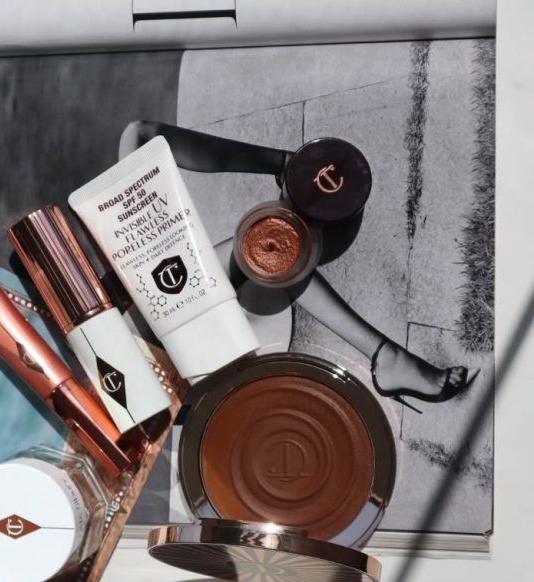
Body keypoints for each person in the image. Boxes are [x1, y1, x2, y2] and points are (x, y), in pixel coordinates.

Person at [119, 120, 478, 409]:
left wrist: (282, 164)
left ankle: (387, 357)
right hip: (160, 370)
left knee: (269, 249)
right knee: (269, 245)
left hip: (160, 314)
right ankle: (387, 357)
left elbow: (142, 135)